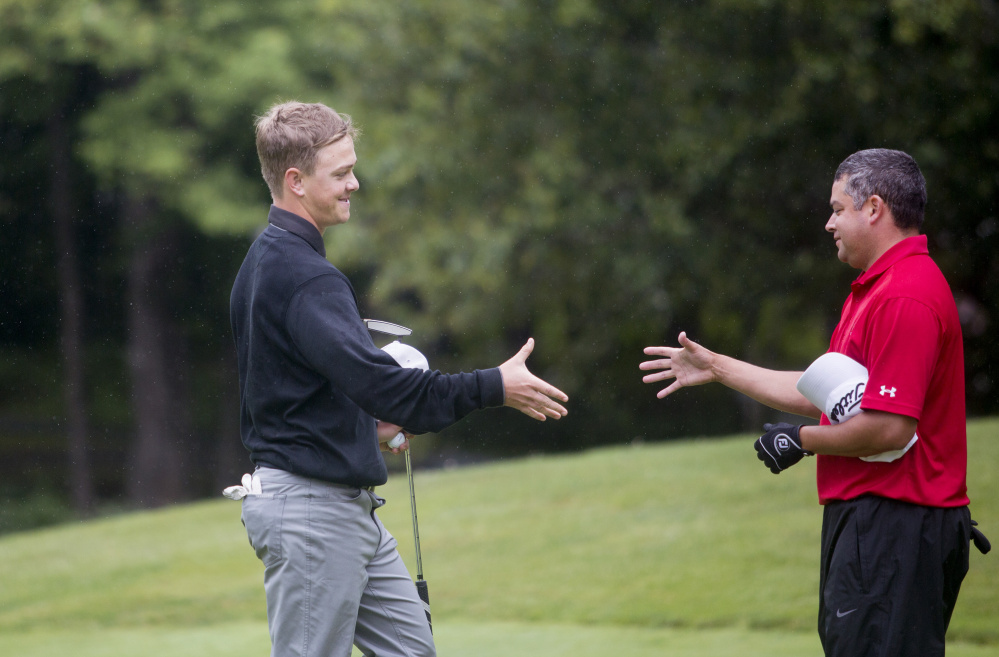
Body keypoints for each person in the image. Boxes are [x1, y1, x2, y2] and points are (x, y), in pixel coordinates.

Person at [230, 101, 569, 657]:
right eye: (340, 173)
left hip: (345, 508)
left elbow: (303, 395)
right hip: (313, 514)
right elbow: (387, 388)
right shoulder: (305, 278)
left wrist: (372, 425)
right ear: (295, 181)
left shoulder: (267, 262)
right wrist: (494, 386)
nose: (354, 184)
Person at [640, 149, 988, 657]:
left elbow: (890, 429)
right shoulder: (875, 289)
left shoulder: (904, 295)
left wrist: (799, 441)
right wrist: (717, 367)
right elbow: (826, 394)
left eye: (837, 208)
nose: (829, 223)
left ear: (873, 208)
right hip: (879, 525)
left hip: (896, 526)